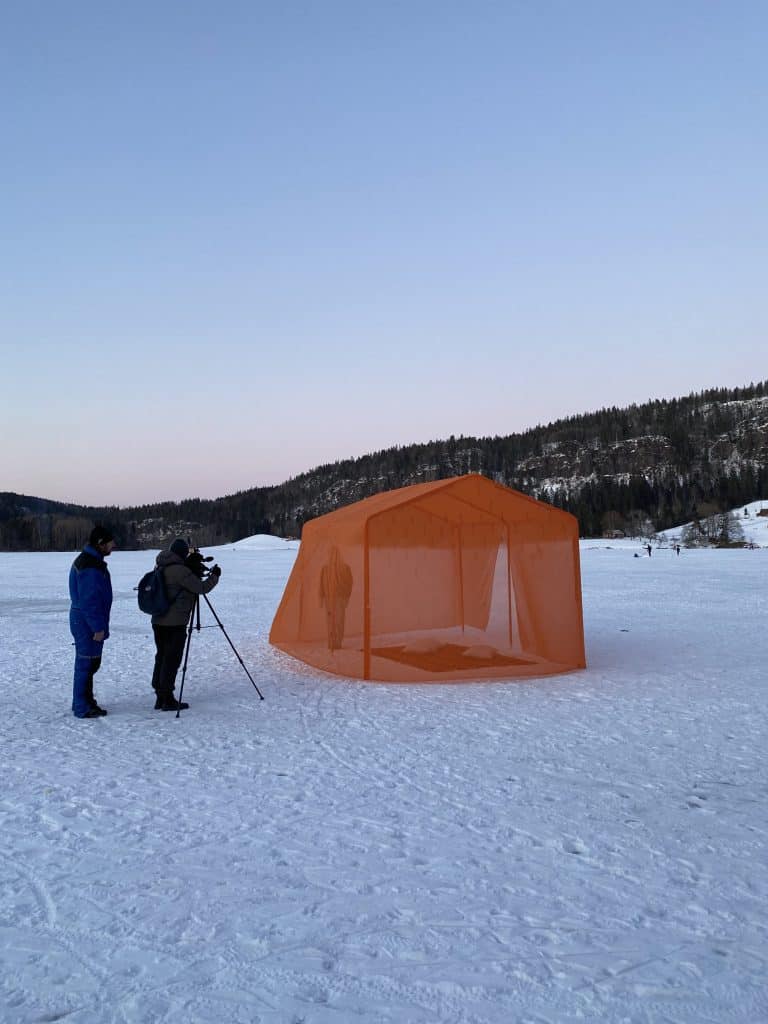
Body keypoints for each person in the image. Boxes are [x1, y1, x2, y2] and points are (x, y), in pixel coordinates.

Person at [150, 538, 221, 711]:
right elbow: (201, 588)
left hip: (158, 620)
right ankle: (167, 698)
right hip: (175, 623)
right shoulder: (180, 571)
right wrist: (215, 576)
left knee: (162, 656)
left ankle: (160, 696)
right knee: (172, 659)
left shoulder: (160, 566)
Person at [69, 526, 115, 718]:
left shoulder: (92, 561)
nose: (113, 546)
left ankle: (85, 701)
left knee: (90, 664)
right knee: (86, 664)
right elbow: (89, 601)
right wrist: (97, 627)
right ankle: (82, 706)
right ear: (100, 543)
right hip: (86, 622)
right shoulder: (89, 566)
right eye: (110, 542)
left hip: (86, 620)